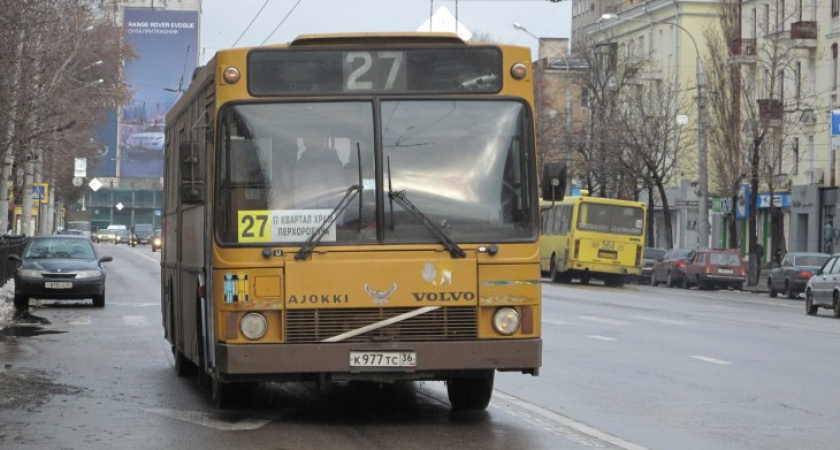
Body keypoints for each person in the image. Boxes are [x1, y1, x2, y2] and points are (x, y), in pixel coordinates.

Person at [293, 133, 346, 210]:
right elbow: (297, 194)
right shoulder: (302, 161)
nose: (305, 140)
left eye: (310, 136)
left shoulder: (330, 160)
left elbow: (338, 194)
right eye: (305, 137)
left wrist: (336, 221)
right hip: (302, 216)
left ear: (320, 139)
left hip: (324, 217)